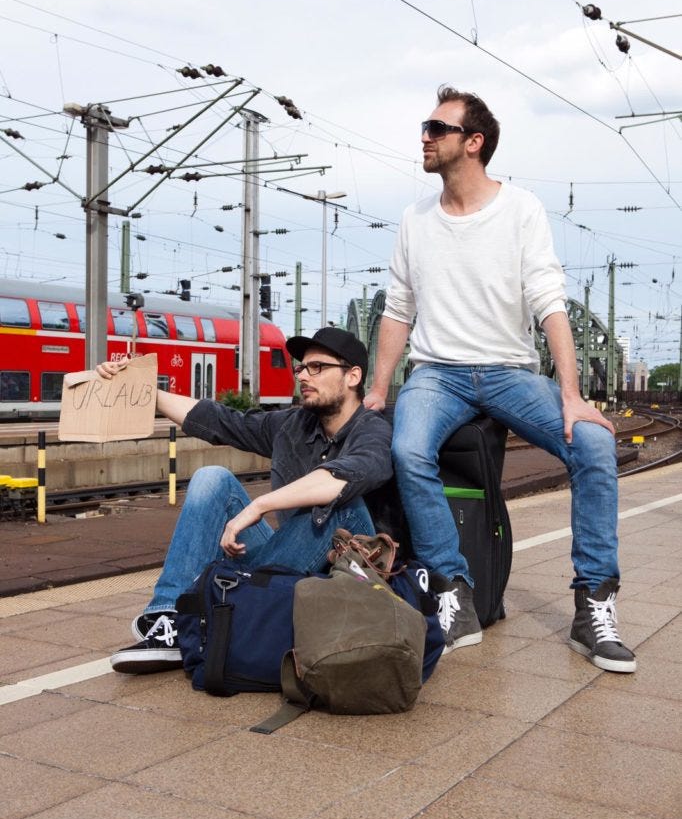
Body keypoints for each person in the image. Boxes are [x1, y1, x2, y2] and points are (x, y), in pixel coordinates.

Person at [364, 85, 636, 673]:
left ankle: (593, 605)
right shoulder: (415, 219)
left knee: (594, 444)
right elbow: (397, 310)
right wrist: (378, 391)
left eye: (437, 128)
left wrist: (572, 396)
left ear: (474, 142)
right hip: (437, 374)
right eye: (425, 128)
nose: (425, 137)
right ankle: (452, 590)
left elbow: (549, 302)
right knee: (408, 450)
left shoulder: (521, 209)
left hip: (509, 372)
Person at [101, 327, 392, 673]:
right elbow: (221, 421)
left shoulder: (373, 429)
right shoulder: (294, 425)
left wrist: (258, 506)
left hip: (339, 574)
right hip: (285, 560)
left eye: (317, 367)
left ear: (352, 376)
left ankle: (221, 600)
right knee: (212, 479)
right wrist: (144, 390)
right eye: (301, 367)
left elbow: (342, 477)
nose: (303, 376)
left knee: (341, 508)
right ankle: (172, 618)